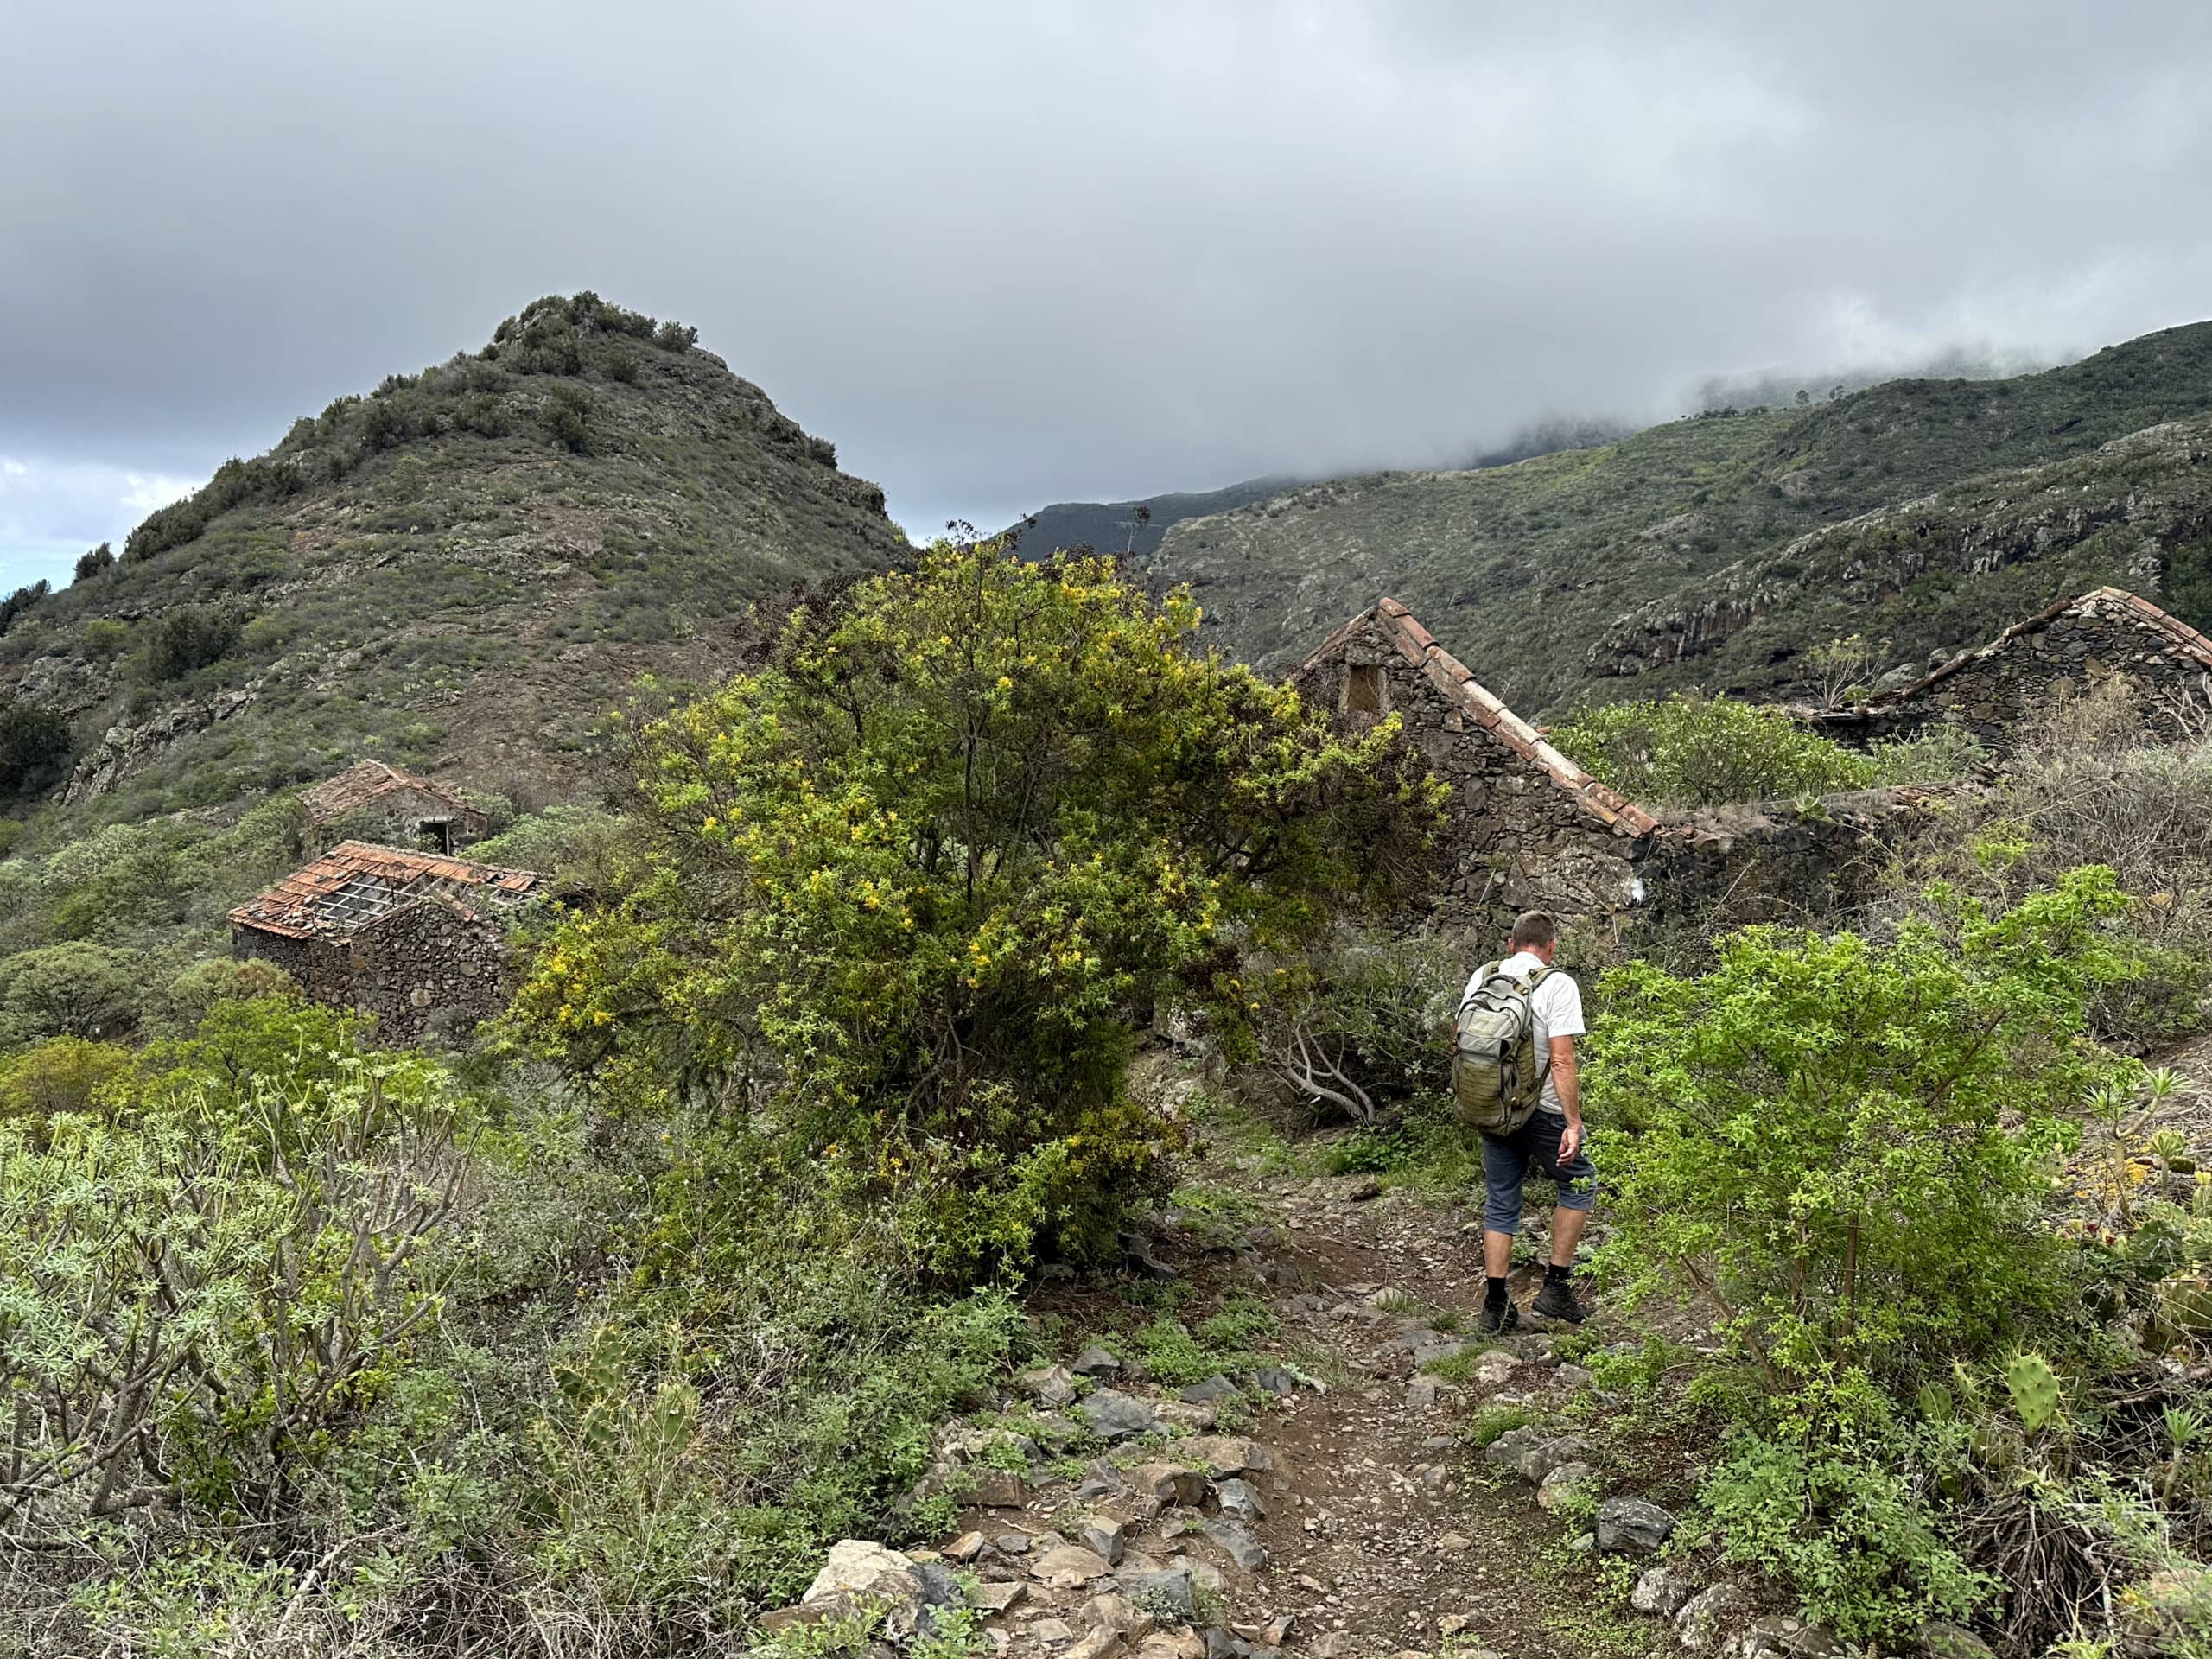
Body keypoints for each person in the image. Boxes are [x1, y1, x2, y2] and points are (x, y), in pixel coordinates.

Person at [1467, 909, 1596, 1332]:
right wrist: (1573, 1123)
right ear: (1551, 948)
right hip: (1542, 1111)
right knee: (1579, 1185)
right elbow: (1561, 1060)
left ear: (1510, 944)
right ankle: (1556, 1290)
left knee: (1501, 1200)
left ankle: (1496, 1305)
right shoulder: (1557, 983)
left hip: (1494, 1108)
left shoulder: (1483, 976)